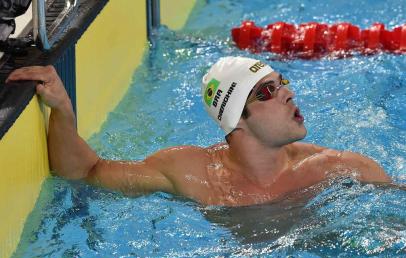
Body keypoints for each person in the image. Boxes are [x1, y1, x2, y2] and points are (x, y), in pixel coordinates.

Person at [6, 56, 391, 206]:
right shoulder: (191, 173)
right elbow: (85, 172)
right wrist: (62, 110)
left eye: (283, 81)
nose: (288, 92)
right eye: (268, 90)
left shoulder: (338, 168)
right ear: (237, 119)